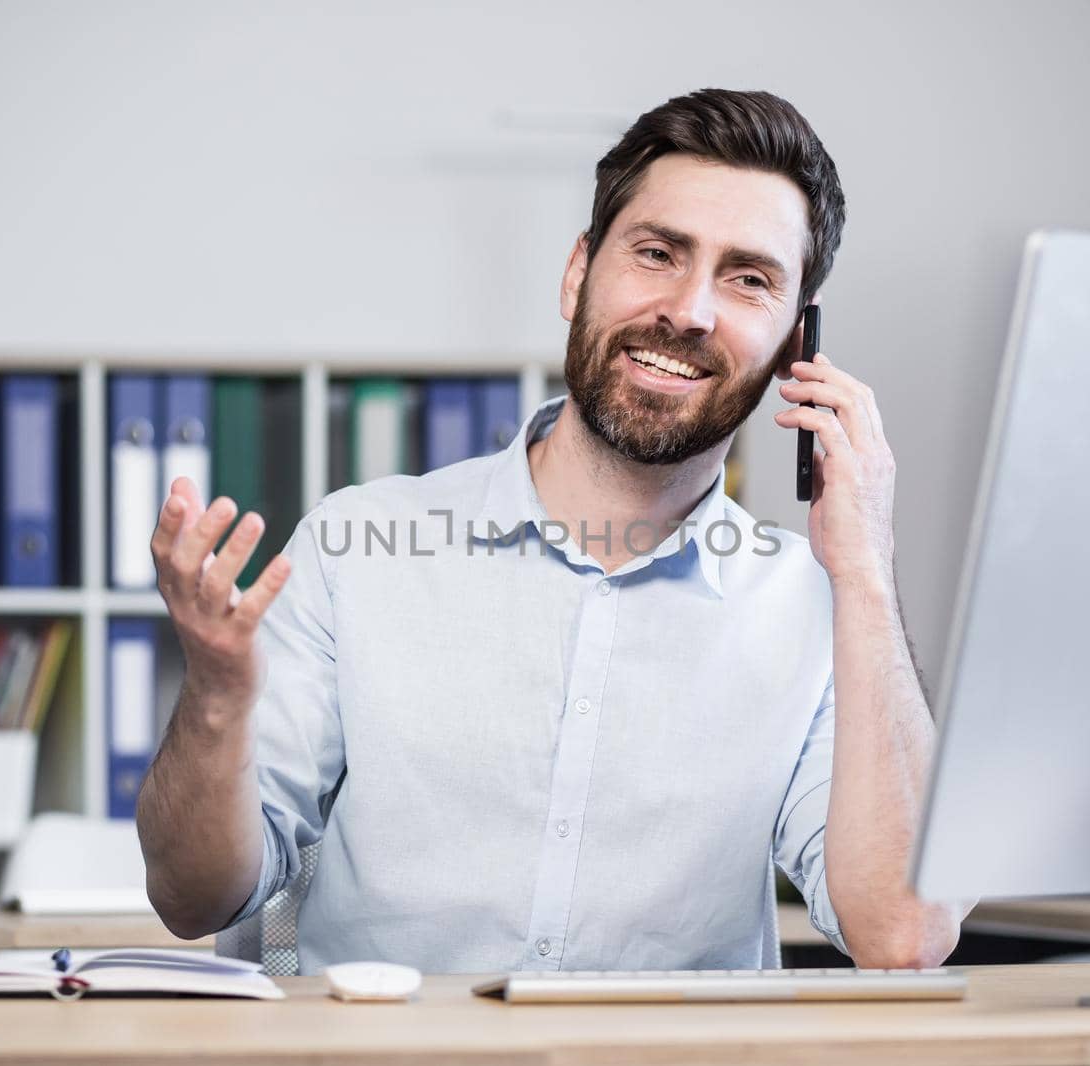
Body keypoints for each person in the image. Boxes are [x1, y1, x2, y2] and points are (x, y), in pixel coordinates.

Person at [138, 88, 966, 974]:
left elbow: (904, 936)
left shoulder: (814, 602)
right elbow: (193, 897)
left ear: (797, 344)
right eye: (657, 253)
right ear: (578, 274)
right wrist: (218, 698)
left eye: (749, 278)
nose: (689, 310)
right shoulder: (355, 547)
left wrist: (866, 570)